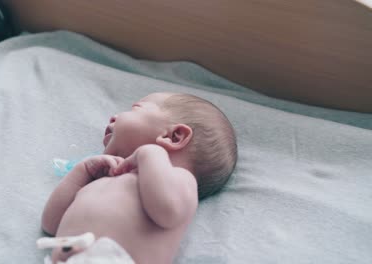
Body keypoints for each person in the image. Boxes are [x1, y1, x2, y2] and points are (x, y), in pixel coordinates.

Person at [40, 92, 237, 263]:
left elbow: (167, 211)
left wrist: (151, 154)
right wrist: (82, 171)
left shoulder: (183, 180)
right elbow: (51, 225)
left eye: (135, 109)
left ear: (174, 136)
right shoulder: (100, 180)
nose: (114, 116)